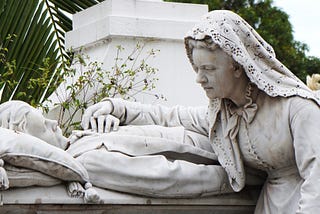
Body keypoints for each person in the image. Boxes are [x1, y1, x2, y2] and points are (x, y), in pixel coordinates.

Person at [81, 10, 320, 213]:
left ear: (237, 66)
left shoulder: (298, 108)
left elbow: (317, 179)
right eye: (196, 68)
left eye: (208, 68)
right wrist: (116, 107)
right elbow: (169, 116)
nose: (199, 78)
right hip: (269, 205)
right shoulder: (224, 115)